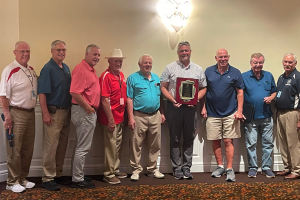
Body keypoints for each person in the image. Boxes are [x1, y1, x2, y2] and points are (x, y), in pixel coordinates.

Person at [160, 41, 207, 180]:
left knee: (188, 138)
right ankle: (177, 168)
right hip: (174, 108)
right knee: (174, 138)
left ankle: (187, 168)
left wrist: (195, 99)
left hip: (191, 109)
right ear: (178, 53)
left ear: (190, 52)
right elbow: (163, 87)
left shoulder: (198, 69)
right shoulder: (169, 68)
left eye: (186, 50)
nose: (184, 53)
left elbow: (204, 88)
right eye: (181, 51)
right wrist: (173, 100)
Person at [0, 41, 37, 193]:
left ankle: (22, 178)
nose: (25, 54)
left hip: (31, 113)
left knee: (27, 149)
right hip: (16, 113)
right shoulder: (9, 70)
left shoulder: (31, 70)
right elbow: (3, 96)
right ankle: (12, 181)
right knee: (14, 148)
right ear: (14, 52)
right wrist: (7, 116)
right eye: (22, 51)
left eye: (28, 51)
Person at [203, 48, 244, 182]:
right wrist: (203, 107)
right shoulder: (208, 71)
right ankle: (220, 166)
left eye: (225, 57)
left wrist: (239, 111)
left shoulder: (235, 72)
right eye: (220, 57)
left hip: (230, 113)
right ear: (216, 58)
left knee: (228, 141)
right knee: (216, 140)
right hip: (212, 112)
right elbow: (204, 90)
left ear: (229, 57)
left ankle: (230, 169)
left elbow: (240, 93)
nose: (223, 59)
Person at [38, 40, 72, 191]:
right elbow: (42, 93)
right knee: (51, 146)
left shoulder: (66, 68)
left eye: (64, 50)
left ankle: (58, 173)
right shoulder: (47, 69)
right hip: (53, 113)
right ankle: (48, 177)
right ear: (52, 51)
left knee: (62, 145)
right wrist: (45, 113)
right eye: (58, 50)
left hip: (66, 111)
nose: (61, 52)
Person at [127, 54, 166, 181]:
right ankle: (136, 170)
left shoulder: (156, 78)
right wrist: (130, 117)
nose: (147, 65)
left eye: (149, 63)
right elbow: (129, 99)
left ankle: (152, 169)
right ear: (139, 64)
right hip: (139, 116)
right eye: (145, 63)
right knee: (136, 144)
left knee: (155, 144)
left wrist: (162, 113)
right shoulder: (133, 78)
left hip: (155, 115)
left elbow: (160, 97)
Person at [69, 44, 101, 188]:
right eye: (94, 54)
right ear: (86, 54)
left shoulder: (90, 70)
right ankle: (77, 179)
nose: (97, 57)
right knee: (82, 147)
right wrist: (88, 108)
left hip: (86, 111)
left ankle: (78, 175)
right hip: (84, 112)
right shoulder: (81, 69)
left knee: (81, 146)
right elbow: (74, 92)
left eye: (98, 55)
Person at [242, 53, 276, 178]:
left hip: (266, 116)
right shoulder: (244, 76)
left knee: (268, 144)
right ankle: (253, 167)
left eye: (260, 62)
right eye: (255, 62)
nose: (258, 65)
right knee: (251, 144)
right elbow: (239, 94)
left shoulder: (268, 75)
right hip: (250, 117)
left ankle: (266, 167)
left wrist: (271, 98)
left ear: (263, 63)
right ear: (251, 63)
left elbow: (275, 92)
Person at [98, 49, 128, 184]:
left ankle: (115, 169)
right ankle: (108, 174)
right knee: (110, 146)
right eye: (115, 60)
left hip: (120, 117)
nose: (118, 63)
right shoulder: (105, 76)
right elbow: (104, 99)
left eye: (120, 61)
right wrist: (110, 120)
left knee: (117, 145)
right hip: (109, 119)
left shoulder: (121, 75)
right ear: (109, 61)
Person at [275, 53, 300, 179]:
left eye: (290, 62)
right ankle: (287, 167)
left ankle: (296, 170)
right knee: (283, 143)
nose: (287, 64)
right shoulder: (281, 77)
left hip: (292, 113)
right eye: (285, 62)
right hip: (280, 113)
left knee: (293, 143)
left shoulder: (298, 77)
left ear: (295, 63)